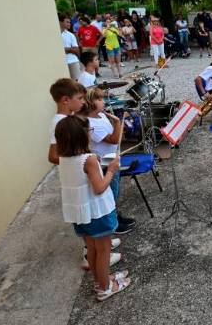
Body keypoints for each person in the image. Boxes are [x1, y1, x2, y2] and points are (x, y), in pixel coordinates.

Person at [54, 116, 131, 301]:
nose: (91, 134)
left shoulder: (63, 158)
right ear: (81, 136)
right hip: (98, 213)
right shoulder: (89, 160)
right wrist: (111, 170)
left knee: (92, 250)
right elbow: (99, 188)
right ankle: (105, 288)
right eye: (89, 131)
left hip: (80, 213)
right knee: (103, 251)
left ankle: (100, 280)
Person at [79, 87, 135, 234]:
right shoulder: (90, 123)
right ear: (90, 102)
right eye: (99, 99)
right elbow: (114, 139)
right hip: (104, 163)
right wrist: (117, 122)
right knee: (110, 193)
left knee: (115, 191)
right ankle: (113, 223)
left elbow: (117, 138)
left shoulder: (102, 116)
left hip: (112, 158)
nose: (103, 101)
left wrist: (118, 125)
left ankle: (116, 216)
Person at [60, 14, 81, 80]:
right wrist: (70, 49)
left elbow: (77, 50)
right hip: (60, 62)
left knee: (76, 82)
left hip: (72, 61)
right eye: (67, 22)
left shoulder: (70, 35)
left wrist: (66, 49)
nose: (69, 24)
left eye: (69, 22)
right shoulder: (54, 34)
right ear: (60, 22)